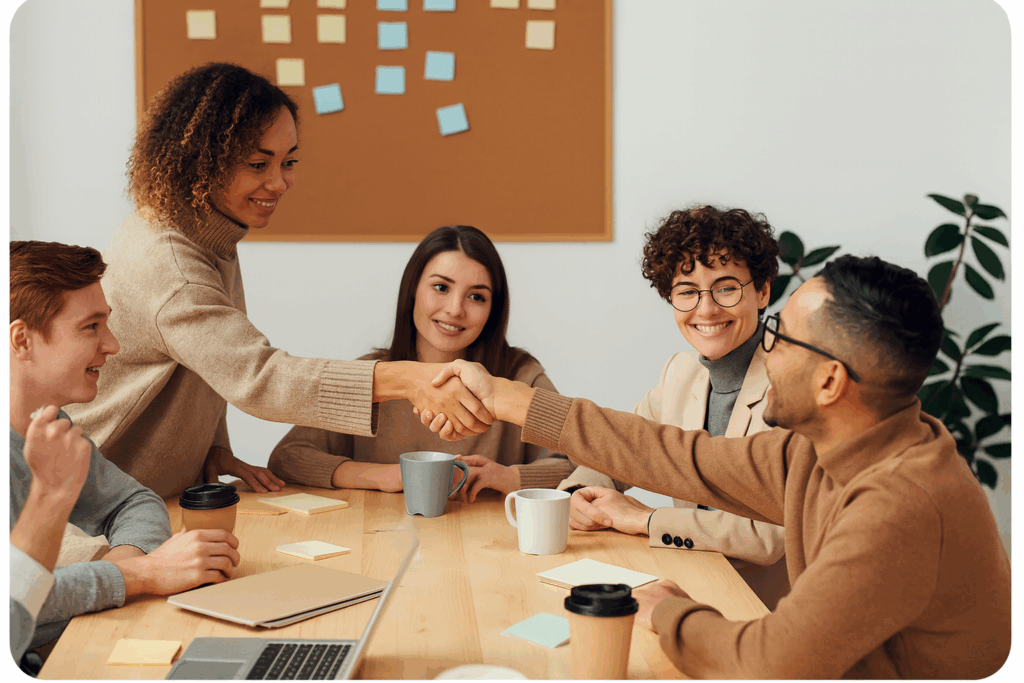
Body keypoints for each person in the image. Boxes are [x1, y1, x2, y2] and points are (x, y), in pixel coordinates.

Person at [422, 255, 1011, 679]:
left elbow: (771, 664)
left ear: (831, 381)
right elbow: (678, 456)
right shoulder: (822, 449)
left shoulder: (898, 504)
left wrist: (671, 612)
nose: (765, 349)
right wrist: (506, 398)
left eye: (780, 337)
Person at [65, 63, 491, 500]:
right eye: (257, 163)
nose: (280, 182)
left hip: (146, 496)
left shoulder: (207, 236)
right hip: (100, 502)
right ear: (201, 162)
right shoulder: (171, 264)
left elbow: (205, 364)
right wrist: (410, 380)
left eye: (289, 162)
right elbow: (259, 377)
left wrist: (211, 450)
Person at [9, 241, 242, 653]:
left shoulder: (49, 426)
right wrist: (142, 574)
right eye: (91, 326)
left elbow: (133, 502)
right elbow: (11, 605)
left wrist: (129, 568)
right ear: (22, 340)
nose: (113, 344)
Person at [556, 206, 787, 608]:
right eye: (687, 291)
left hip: (765, 611)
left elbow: (770, 535)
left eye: (727, 287)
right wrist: (579, 491)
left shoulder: (792, 386)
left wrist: (642, 518)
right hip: (693, 585)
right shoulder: (681, 372)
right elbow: (623, 445)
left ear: (762, 291)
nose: (707, 308)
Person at [268, 226, 574, 499]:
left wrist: (511, 477)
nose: (455, 309)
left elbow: (582, 464)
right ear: (413, 290)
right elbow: (288, 456)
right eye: (441, 287)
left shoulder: (520, 375)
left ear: (493, 309)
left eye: (476, 297)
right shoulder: (373, 377)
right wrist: (389, 476)